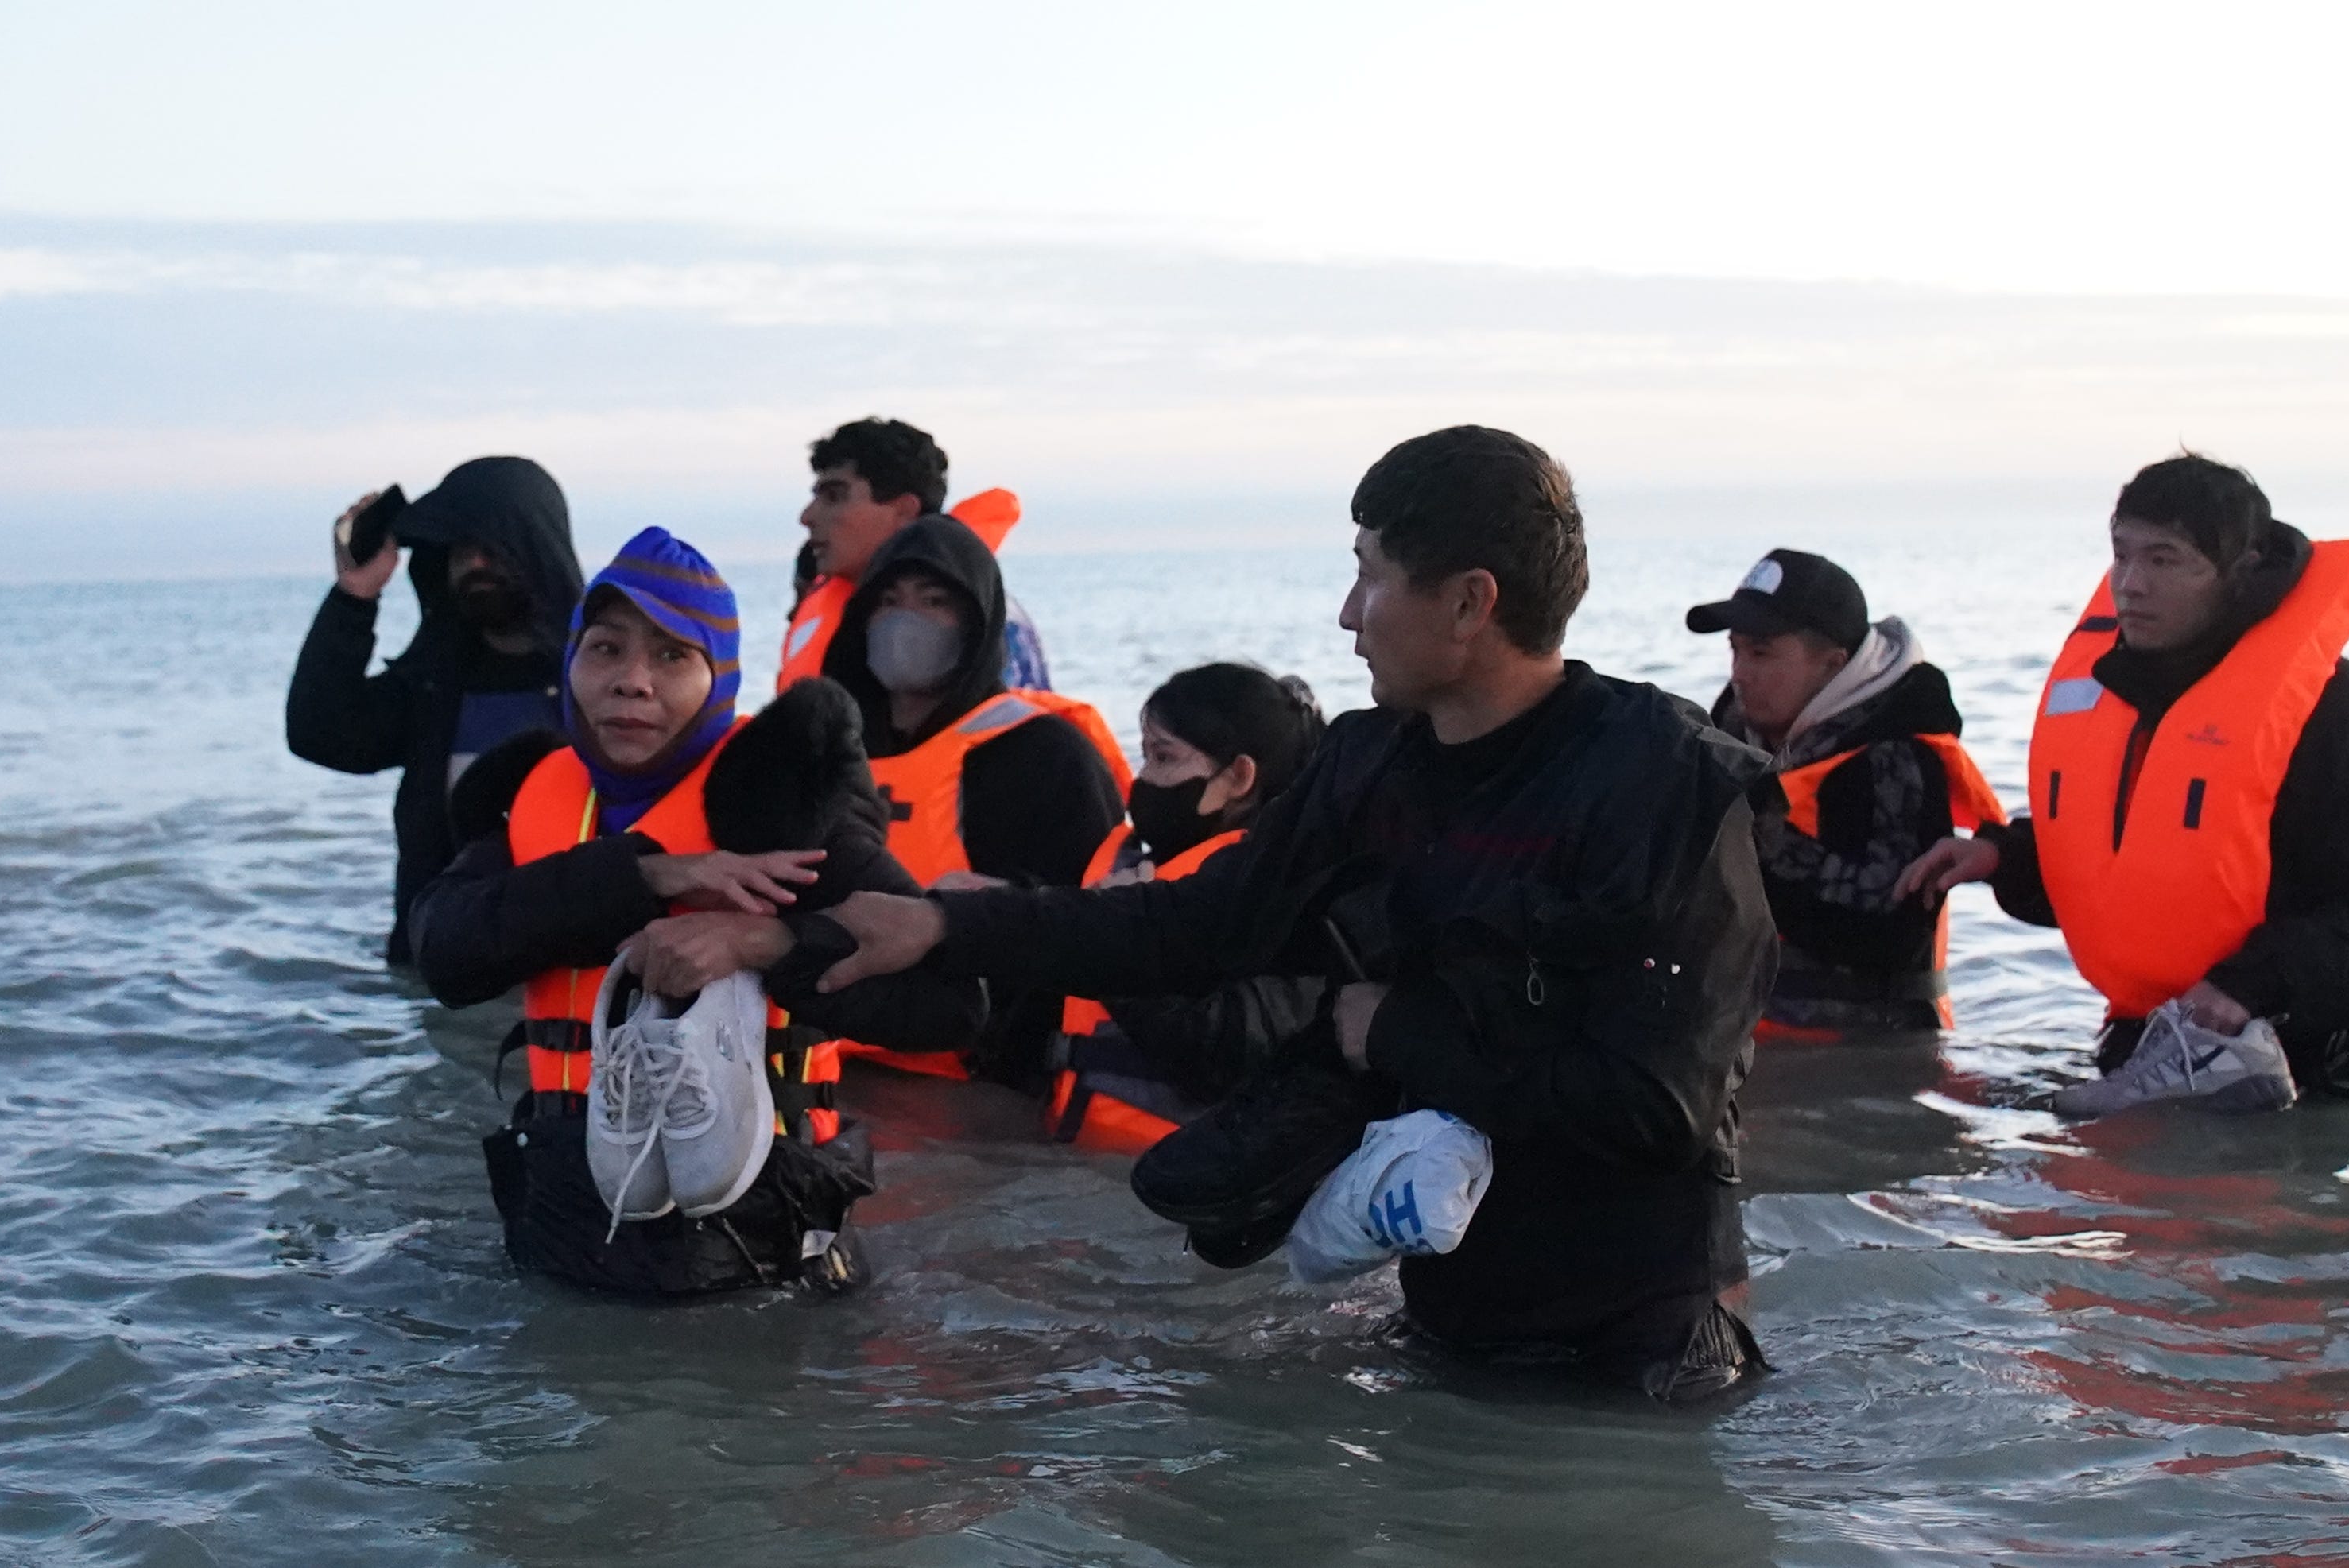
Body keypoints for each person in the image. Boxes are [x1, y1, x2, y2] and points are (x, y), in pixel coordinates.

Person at [626, 426, 1782, 1401]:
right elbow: (1193, 931)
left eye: (1371, 574)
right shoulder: (1370, 763)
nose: (1346, 613)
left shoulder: (1664, 787)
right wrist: (942, 925)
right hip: (1448, 1320)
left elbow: (1660, 1107)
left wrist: (1392, 1034)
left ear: (1470, 601)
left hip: (1639, 1352)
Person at [408, 527, 971, 1295]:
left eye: (673, 656)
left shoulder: (787, 810)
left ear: (721, 676)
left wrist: (763, 943)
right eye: (605, 649)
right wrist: (650, 876)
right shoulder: (537, 798)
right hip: (569, 1221)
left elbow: (952, 1004)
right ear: (570, 662)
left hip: (767, 1249)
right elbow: (443, 950)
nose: (632, 681)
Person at [1897, 453, 2349, 1113]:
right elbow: (2151, 870)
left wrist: (2250, 986)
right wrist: (2006, 856)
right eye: (2122, 555)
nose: (2130, 585)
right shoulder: (2120, 694)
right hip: (2151, 1063)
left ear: (2241, 572)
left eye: (2164, 560)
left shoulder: (2340, 714)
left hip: (2319, 1093)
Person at [813, 510, 1132, 1086]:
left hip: (980, 1077)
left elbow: (1096, 926)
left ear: (977, 622)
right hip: (834, 1061)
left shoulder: (1046, 753)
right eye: (888, 601)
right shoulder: (822, 750)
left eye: (934, 601)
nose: (906, 619)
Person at [1689, 549, 2006, 1036]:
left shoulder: (1895, 758)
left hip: (1864, 1061)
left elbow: (1891, 931)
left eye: (1760, 653)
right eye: (1734, 650)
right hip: (1742, 1049)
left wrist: (1748, 835)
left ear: (1832, 664)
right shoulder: (1727, 743)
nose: (1739, 672)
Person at [286, 457, 584, 963]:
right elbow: (320, 732)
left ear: (536, 545)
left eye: (495, 547)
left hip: (564, 972)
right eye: (461, 550)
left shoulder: (598, 680)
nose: (477, 564)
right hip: (440, 976)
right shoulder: (433, 685)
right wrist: (355, 595)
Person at [1044, 662, 1330, 1152]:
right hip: (1073, 1158)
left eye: (1164, 758)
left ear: (1239, 776)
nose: (1144, 779)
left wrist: (1118, 937)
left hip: (1166, 1186)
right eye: (1145, 755)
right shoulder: (1130, 859)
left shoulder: (1278, 890)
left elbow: (1233, 1053)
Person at [780, 415, 1050, 693]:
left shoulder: (980, 624)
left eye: (834, 497)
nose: (807, 516)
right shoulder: (852, 617)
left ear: (905, 512)